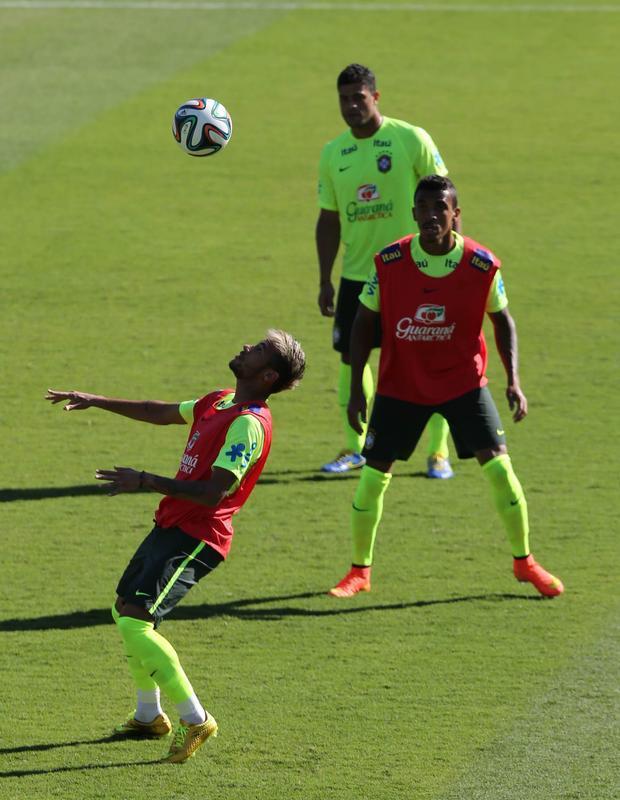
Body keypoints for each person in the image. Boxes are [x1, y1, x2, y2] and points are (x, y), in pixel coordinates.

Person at [46, 330, 305, 763]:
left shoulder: (248, 424)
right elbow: (159, 412)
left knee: (135, 624)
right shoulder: (220, 400)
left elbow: (212, 494)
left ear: (266, 375)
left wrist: (146, 480)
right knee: (125, 609)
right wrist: (95, 399)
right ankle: (148, 716)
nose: (246, 346)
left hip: (198, 535)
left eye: (257, 349)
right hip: (174, 523)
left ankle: (196, 718)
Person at [328, 175, 564, 599]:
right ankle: (359, 572)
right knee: (373, 478)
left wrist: (514, 382)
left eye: (442, 207)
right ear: (414, 212)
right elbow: (363, 323)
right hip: (401, 386)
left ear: (456, 214)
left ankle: (524, 562)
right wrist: (359, 389)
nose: (432, 215)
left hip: (463, 384)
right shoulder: (389, 262)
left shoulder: (482, 265)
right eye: (424, 207)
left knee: (500, 468)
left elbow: (503, 321)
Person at [317, 63, 454, 478]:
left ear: (376, 97)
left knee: (431, 357)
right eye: (344, 99)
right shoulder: (332, 153)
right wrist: (325, 278)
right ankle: (356, 447)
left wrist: (448, 264)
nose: (351, 106)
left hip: (414, 270)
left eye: (359, 97)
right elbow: (329, 219)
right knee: (350, 358)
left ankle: (438, 452)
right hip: (359, 275)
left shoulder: (411, 139)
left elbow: (447, 201)